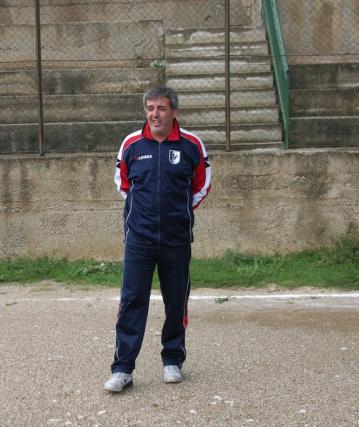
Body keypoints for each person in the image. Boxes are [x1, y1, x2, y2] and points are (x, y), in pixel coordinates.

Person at [104, 86, 212, 392]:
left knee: (176, 301)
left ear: (174, 111)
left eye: (161, 108)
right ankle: (123, 369)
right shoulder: (131, 144)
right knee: (132, 300)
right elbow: (124, 185)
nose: (155, 115)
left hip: (177, 239)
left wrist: (178, 212)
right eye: (150, 108)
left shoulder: (191, 145)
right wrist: (144, 214)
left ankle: (172, 361)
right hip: (139, 239)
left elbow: (202, 184)